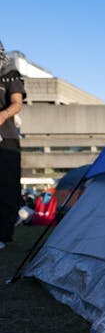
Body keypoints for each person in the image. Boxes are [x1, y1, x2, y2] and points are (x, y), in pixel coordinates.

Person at [0, 41, 26, 249]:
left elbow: (17, 103)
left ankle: (3, 235)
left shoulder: (10, 73)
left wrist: (4, 114)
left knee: (7, 188)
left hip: (5, 138)